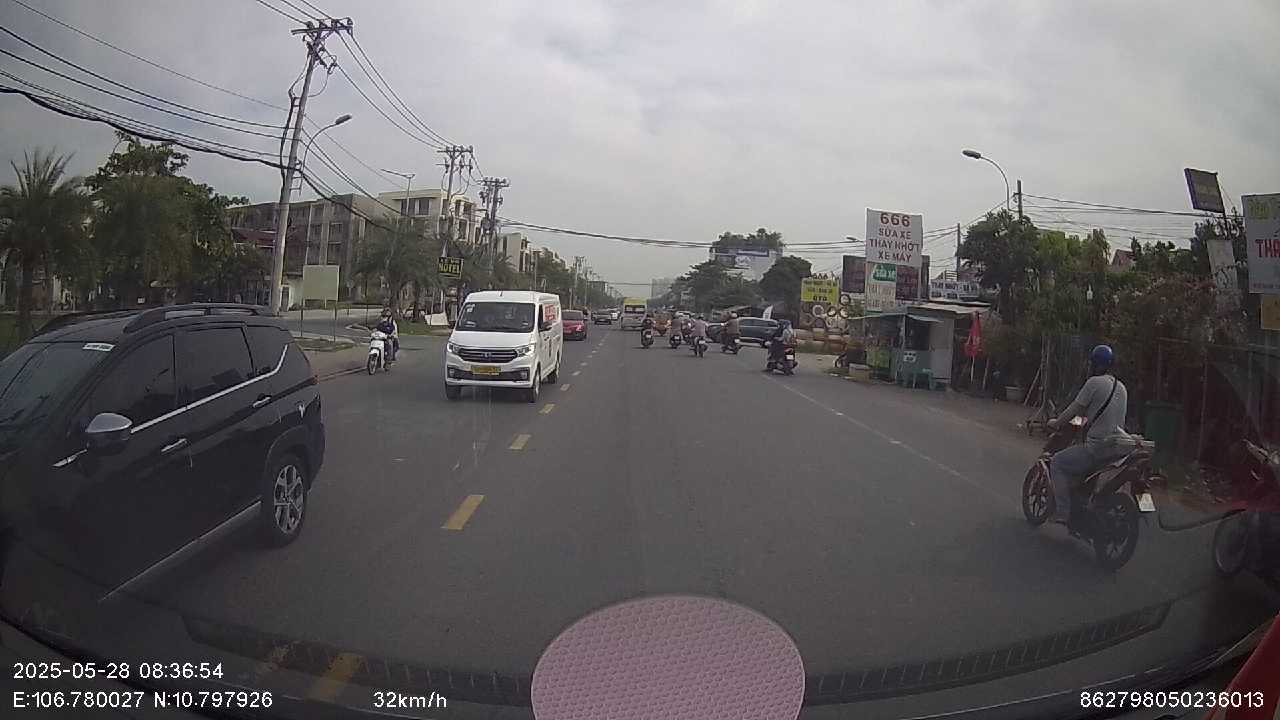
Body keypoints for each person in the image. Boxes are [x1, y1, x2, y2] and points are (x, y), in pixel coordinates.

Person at [1046, 344, 1130, 523]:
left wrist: (1056, 423)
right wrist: (1082, 421)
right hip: (1117, 450)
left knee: (1057, 463)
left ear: (1094, 365)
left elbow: (1073, 410)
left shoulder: (1094, 383)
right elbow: (1096, 417)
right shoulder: (1122, 388)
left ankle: (1063, 512)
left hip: (1097, 448)